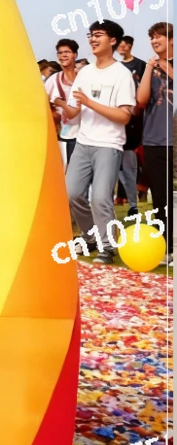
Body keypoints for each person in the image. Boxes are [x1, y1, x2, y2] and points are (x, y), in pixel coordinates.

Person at [60, 20, 136, 265]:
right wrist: (62, 106)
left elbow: (124, 116)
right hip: (83, 142)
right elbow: (75, 112)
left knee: (101, 198)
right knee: (72, 194)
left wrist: (90, 103)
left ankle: (107, 247)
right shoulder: (85, 72)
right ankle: (90, 237)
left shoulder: (122, 74)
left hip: (109, 144)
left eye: (99, 35)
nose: (93, 39)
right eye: (91, 35)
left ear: (112, 40)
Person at [137, 22, 173, 266]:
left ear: (171, 40)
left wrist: (167, 68)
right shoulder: (149, 67)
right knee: (160, 198)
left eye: (159, 36)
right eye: (152, 37)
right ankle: (166, 248)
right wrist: (150, 67)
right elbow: (141, 100)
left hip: (172, 139)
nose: (154, 41)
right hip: (153, 140)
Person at [116, 35, 146, 214]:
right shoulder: (116, 67)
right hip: (115, 119)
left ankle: (133, 203)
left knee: (129, 165)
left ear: (130, 46)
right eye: (118, 45)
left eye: (123, 45)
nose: (121, 48)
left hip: (133, 121)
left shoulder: (140, 65)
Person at [46, 39, 82, 166]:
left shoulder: (84, 77)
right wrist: (54, 115)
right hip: (64, 136)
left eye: (67, 52)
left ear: (75, 55)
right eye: (60, 53)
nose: (63, 55)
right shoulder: (53, 80)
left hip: (85, 134)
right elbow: (42, 103)